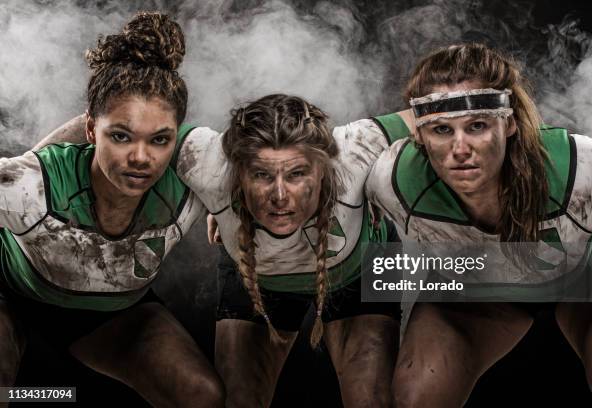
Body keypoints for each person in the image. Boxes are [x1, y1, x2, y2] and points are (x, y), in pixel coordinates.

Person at [45, 93, 404, 407]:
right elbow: (110, 122)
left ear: (323, 169)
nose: (279, 197)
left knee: (373, 400)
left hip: (362, 265)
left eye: (296, 175)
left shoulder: (354, 149)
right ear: (237, 171)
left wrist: (388, 191)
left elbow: (436, 112)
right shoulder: (210, 162)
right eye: (261, 175)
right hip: (256, 273)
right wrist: (34, 172)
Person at [366, 43, 592, 407]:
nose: (460, 148)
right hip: (479, 282)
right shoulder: (393, 181)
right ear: (418, 134)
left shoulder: (585, 166)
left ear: (508, 122)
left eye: (477, 126)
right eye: (441, 130)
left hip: (587, 273)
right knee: (418, 392)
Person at [0, 12, 224, 407]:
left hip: (111, 312)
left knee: (201, 396)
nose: (141, 157)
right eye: (121, 136)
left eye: (159, 139)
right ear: (91, 131)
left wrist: (229, 202)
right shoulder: (32, 183)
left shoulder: (192, 177)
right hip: (13, 292)